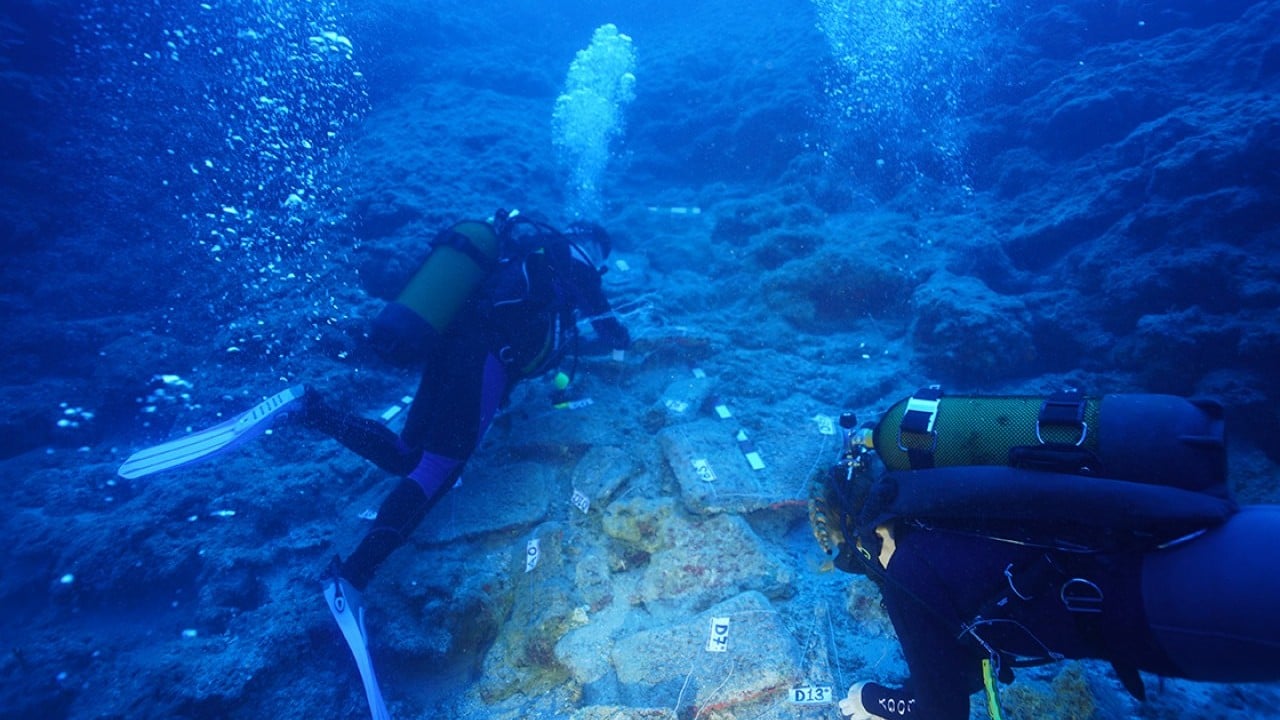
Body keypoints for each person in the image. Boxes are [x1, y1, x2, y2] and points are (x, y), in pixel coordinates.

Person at [811, 390, 1280, 720]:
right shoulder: (958, 499)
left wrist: (870, 699)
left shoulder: (907, 575)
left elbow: (940, 712)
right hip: (1205, 526)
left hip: (1171, 608)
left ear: (856, 534)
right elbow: (958, 668)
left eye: (846, 555)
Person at [300, 209, 631, 592]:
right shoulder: (577, 265)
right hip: (486, 358)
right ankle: (353, 576)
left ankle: (311, 410)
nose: (599, 264)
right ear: (594, 247)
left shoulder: (522, 251)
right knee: (437, 469)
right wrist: (624, 339)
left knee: (407, 455)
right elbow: (611, 332)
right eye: (601, 256)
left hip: (450, 343)